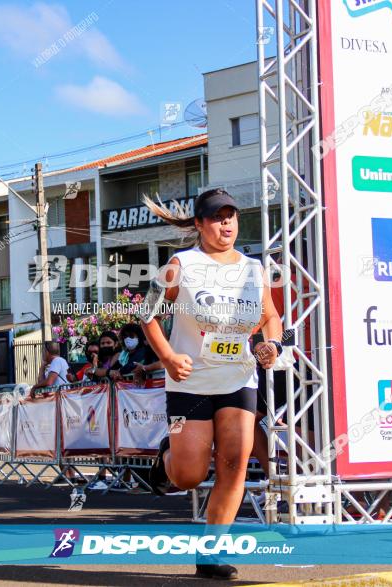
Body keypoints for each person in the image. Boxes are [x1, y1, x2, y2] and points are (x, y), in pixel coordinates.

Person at [142, 188, 282, 580]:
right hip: (189, 383)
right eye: (217, 217)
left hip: (238, 378)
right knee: (187, 475)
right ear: (200, 225)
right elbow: (146, 312)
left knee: (234, 467)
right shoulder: (181, 264)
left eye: (231, 216)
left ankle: (211, 551)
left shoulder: (254, 268)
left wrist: (271, 343)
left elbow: (271, 317)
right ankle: (167, 454)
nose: (226, 223)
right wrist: (168, 357)